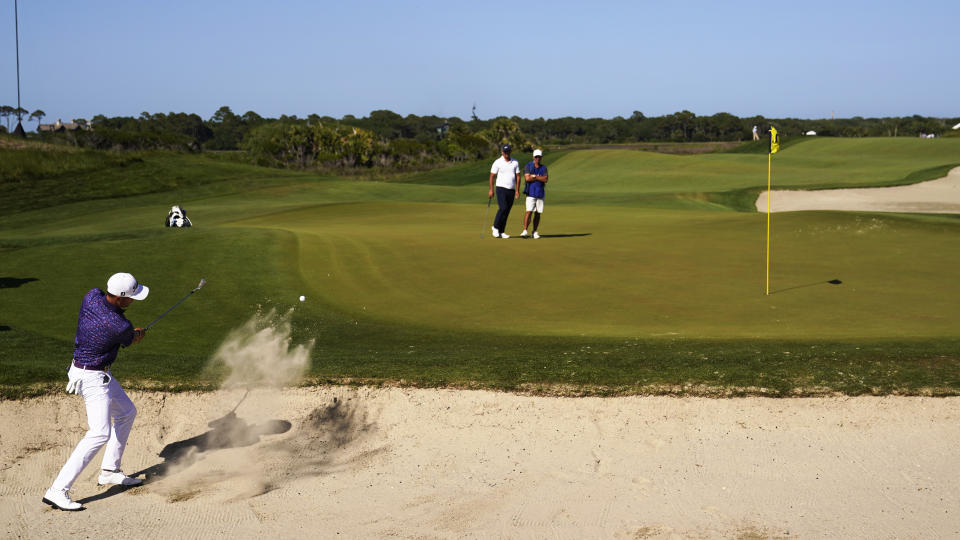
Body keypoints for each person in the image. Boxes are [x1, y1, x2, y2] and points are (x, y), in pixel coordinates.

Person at [42, 273, 149, 511]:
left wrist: (132, 334)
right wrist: (137, 335)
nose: (133, 301)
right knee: (100, 432)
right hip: (92, 378)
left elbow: (117, 323)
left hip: (85, 369)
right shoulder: (120, 325)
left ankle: (110, 471)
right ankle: (57, 490)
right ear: (121, 299)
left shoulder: (91, 296)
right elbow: (129, 339)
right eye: (131, 298)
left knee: (127, 412)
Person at [488, 144, 521, 238]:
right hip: (501, 188)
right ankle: (495, 227)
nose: (506, 154)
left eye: (508, 152)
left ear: (510, 151)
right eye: (505, 152)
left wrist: (517, 191)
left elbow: (518, 177)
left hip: (511, 190)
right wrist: (491, 189)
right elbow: (492, 176)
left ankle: (502, 231)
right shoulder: (497, 162)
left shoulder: (515, 162)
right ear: (502, 152)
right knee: (503, 208)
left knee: (507, 211)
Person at [521, 149, 549, 239]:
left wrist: (535, 176)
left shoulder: (543, 168)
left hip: (540, 193)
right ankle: (525, 230)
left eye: (539, 157)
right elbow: (527, 179)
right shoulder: (528, 166)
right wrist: (539, 177)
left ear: (541, 158)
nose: (538, 158)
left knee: (538, 213)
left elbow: (545, 179)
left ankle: (534, 231)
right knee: (529, 211)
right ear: (533, 157)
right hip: (530, 192)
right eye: (536, 157)